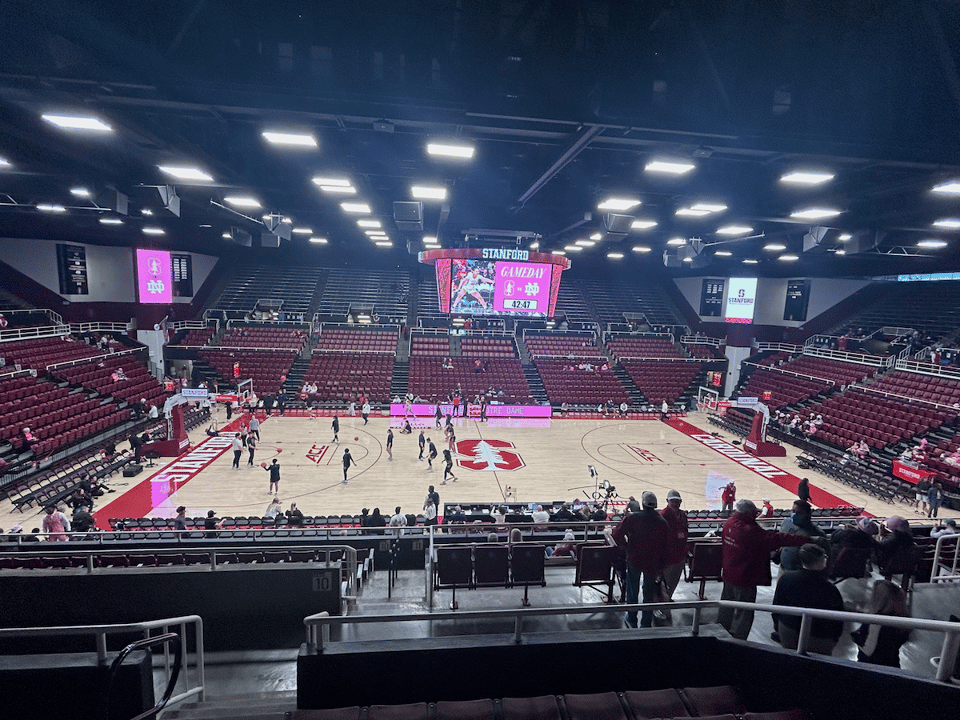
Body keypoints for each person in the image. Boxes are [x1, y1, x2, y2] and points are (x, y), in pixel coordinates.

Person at [718, 499, 808, 640]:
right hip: (745, 577)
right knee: (745, 612)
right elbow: (777, 539)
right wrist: (807, 540)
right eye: (753, 513)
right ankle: (739, 642)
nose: (755, 515)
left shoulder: (729, 522)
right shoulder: (749, 531)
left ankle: (719, 633)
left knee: (726, 606)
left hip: (729, 573)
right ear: (748, 513)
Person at [772, 543, 845, 655]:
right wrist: (834, 638)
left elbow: (777, 604)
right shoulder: (829, 589)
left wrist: (778, 624)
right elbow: (837, 618)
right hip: (818, 636)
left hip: (788, 628)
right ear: (822, 561)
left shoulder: (786, 578)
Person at [611, 491, 670, 628]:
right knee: (648, 593)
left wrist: (626, 547)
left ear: (642, 504)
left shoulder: (633, 518)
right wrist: (662, 565)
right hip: (653, 562)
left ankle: (631, 619)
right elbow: (666, 546)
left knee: (632, 591)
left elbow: (616, 534)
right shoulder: (663, 522)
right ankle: (646, 622)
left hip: (635, 558)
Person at [851, 580, 911, 668]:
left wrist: (856, 637)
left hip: (871, 668)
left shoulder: (877, 622)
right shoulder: (899, 621)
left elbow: (868, 651)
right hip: (892, 666)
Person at [778, 500, 825, 572]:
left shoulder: (817, 533)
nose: (795, 514)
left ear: (808, 515)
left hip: (801, 574)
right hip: (783, 568)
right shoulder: (786, 523)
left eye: (799, 512)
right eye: (793, 511)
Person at [660, 489, 689, 599]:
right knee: (665, 583)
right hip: (668, 556)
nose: (675, 503)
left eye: (677, 501)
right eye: (673, 501)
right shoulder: (663, 515)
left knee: (674, 581)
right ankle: (662, 603)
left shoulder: (682, 514)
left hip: (680, 555)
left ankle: (668, 598)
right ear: (667, 501)